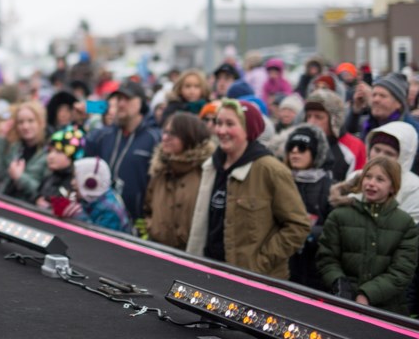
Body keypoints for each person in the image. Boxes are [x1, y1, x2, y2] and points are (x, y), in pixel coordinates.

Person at [186, 99, 310, 278]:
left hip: (256, 284)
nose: (221, 130)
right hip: (209, 274)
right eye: (219, 123)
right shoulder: (211, 166)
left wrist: (259, 264)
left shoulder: (270, 170)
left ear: (248, 130)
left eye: (230, 124)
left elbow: (298, 226)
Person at [317, 156, 419, 314]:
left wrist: (367, 294)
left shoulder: (405, 224)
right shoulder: (339, 216)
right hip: (341, 303)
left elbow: (402, 271)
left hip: (387, 310)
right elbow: (326, 257)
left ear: (393, 187)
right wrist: (339, 283)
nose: (371, 183)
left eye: (380, 179)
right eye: (368, 176)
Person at [83, 80, 160, 222]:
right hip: (101, 219)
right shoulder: (102, 135)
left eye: (127, 99)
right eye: (119, 99)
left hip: (137, 225)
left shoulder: (154, 138)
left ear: (141, 103)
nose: (121, 103)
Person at [143, 113, 215, 250]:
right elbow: (148, 208)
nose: (165, 138)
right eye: (165, 132)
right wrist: (151, 227)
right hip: (157, 252)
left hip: (191, 258)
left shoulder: (206, 172)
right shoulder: (160, 171)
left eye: (173, 134)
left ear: (190, 136)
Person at [283, 126, 332, 291]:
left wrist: (309, 233)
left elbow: (333, 228)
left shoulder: (329, 185)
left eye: (302, 148)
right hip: (284, 260)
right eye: (291, 147)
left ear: (315, 153)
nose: (295, 151)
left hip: (314, 266)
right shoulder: (280, 179)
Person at [0, 101, 49, 204]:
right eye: (21, 122)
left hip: (28, 210)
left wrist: (20, 178)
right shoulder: (15, 147)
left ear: (41, 122)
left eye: (31, 121)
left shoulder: (49, 153)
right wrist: (1, 137)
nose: (25, 126)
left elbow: (43, 192)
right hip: (5, 202)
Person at [68, 156, 132, 233]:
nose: (72, 182)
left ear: (90, 182)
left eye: (76, 177)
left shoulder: (110, 210)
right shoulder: (90, 199)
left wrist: (77, 213)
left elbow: (96, 240)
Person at [36, 126, 86, 211]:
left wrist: (50, 208)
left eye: (58, 152)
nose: (51, 156)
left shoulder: (74, 186)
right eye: (50, 151)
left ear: (71, 157)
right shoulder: (49, 177)